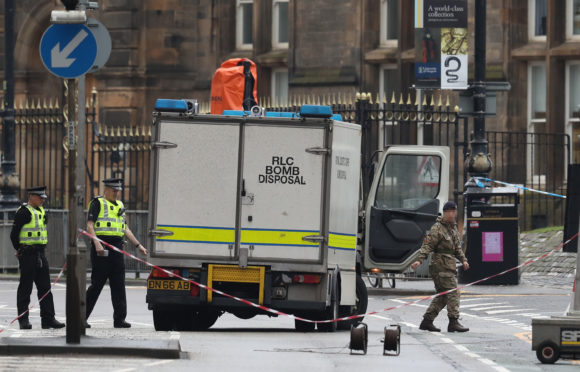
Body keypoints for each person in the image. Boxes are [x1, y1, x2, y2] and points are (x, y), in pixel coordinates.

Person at [85, 178, 148, 328]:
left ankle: (119, 319)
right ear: (106, 189)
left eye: (118, 190)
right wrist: (97, 243)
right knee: (96, 285)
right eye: (114, 190)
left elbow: (125, 228)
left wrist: (138, 245)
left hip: (117, 249)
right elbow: (89, 226)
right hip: (102, 250)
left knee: (119, 286)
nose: (116, 193)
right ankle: (81, 317)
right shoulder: (97, 203)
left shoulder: (120, 205)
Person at [10, 186, 65, 330]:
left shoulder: (41, 211)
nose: (42, 200)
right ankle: (23, 320)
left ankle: (48, 319)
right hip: (27, 254)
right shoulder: (23, 212)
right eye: (40, 197)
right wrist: (20, 249)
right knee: (25, 288)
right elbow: (13, 235)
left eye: (44, 198)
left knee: (45, 288)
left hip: (40, 253)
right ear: (31, 196)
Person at [410, 201, 470, 333]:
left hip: (449, 265)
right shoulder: (437, 228)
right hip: (440, 266)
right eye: (450, 211)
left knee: (443, 296)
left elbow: (457, 248)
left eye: (454, 211)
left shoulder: (452, 228)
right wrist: (419, 261)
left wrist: (463, 260)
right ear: (445, 212)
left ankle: (427, 321)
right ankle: (453, 322)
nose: (453, 214)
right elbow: (427, 246)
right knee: (453, 292)